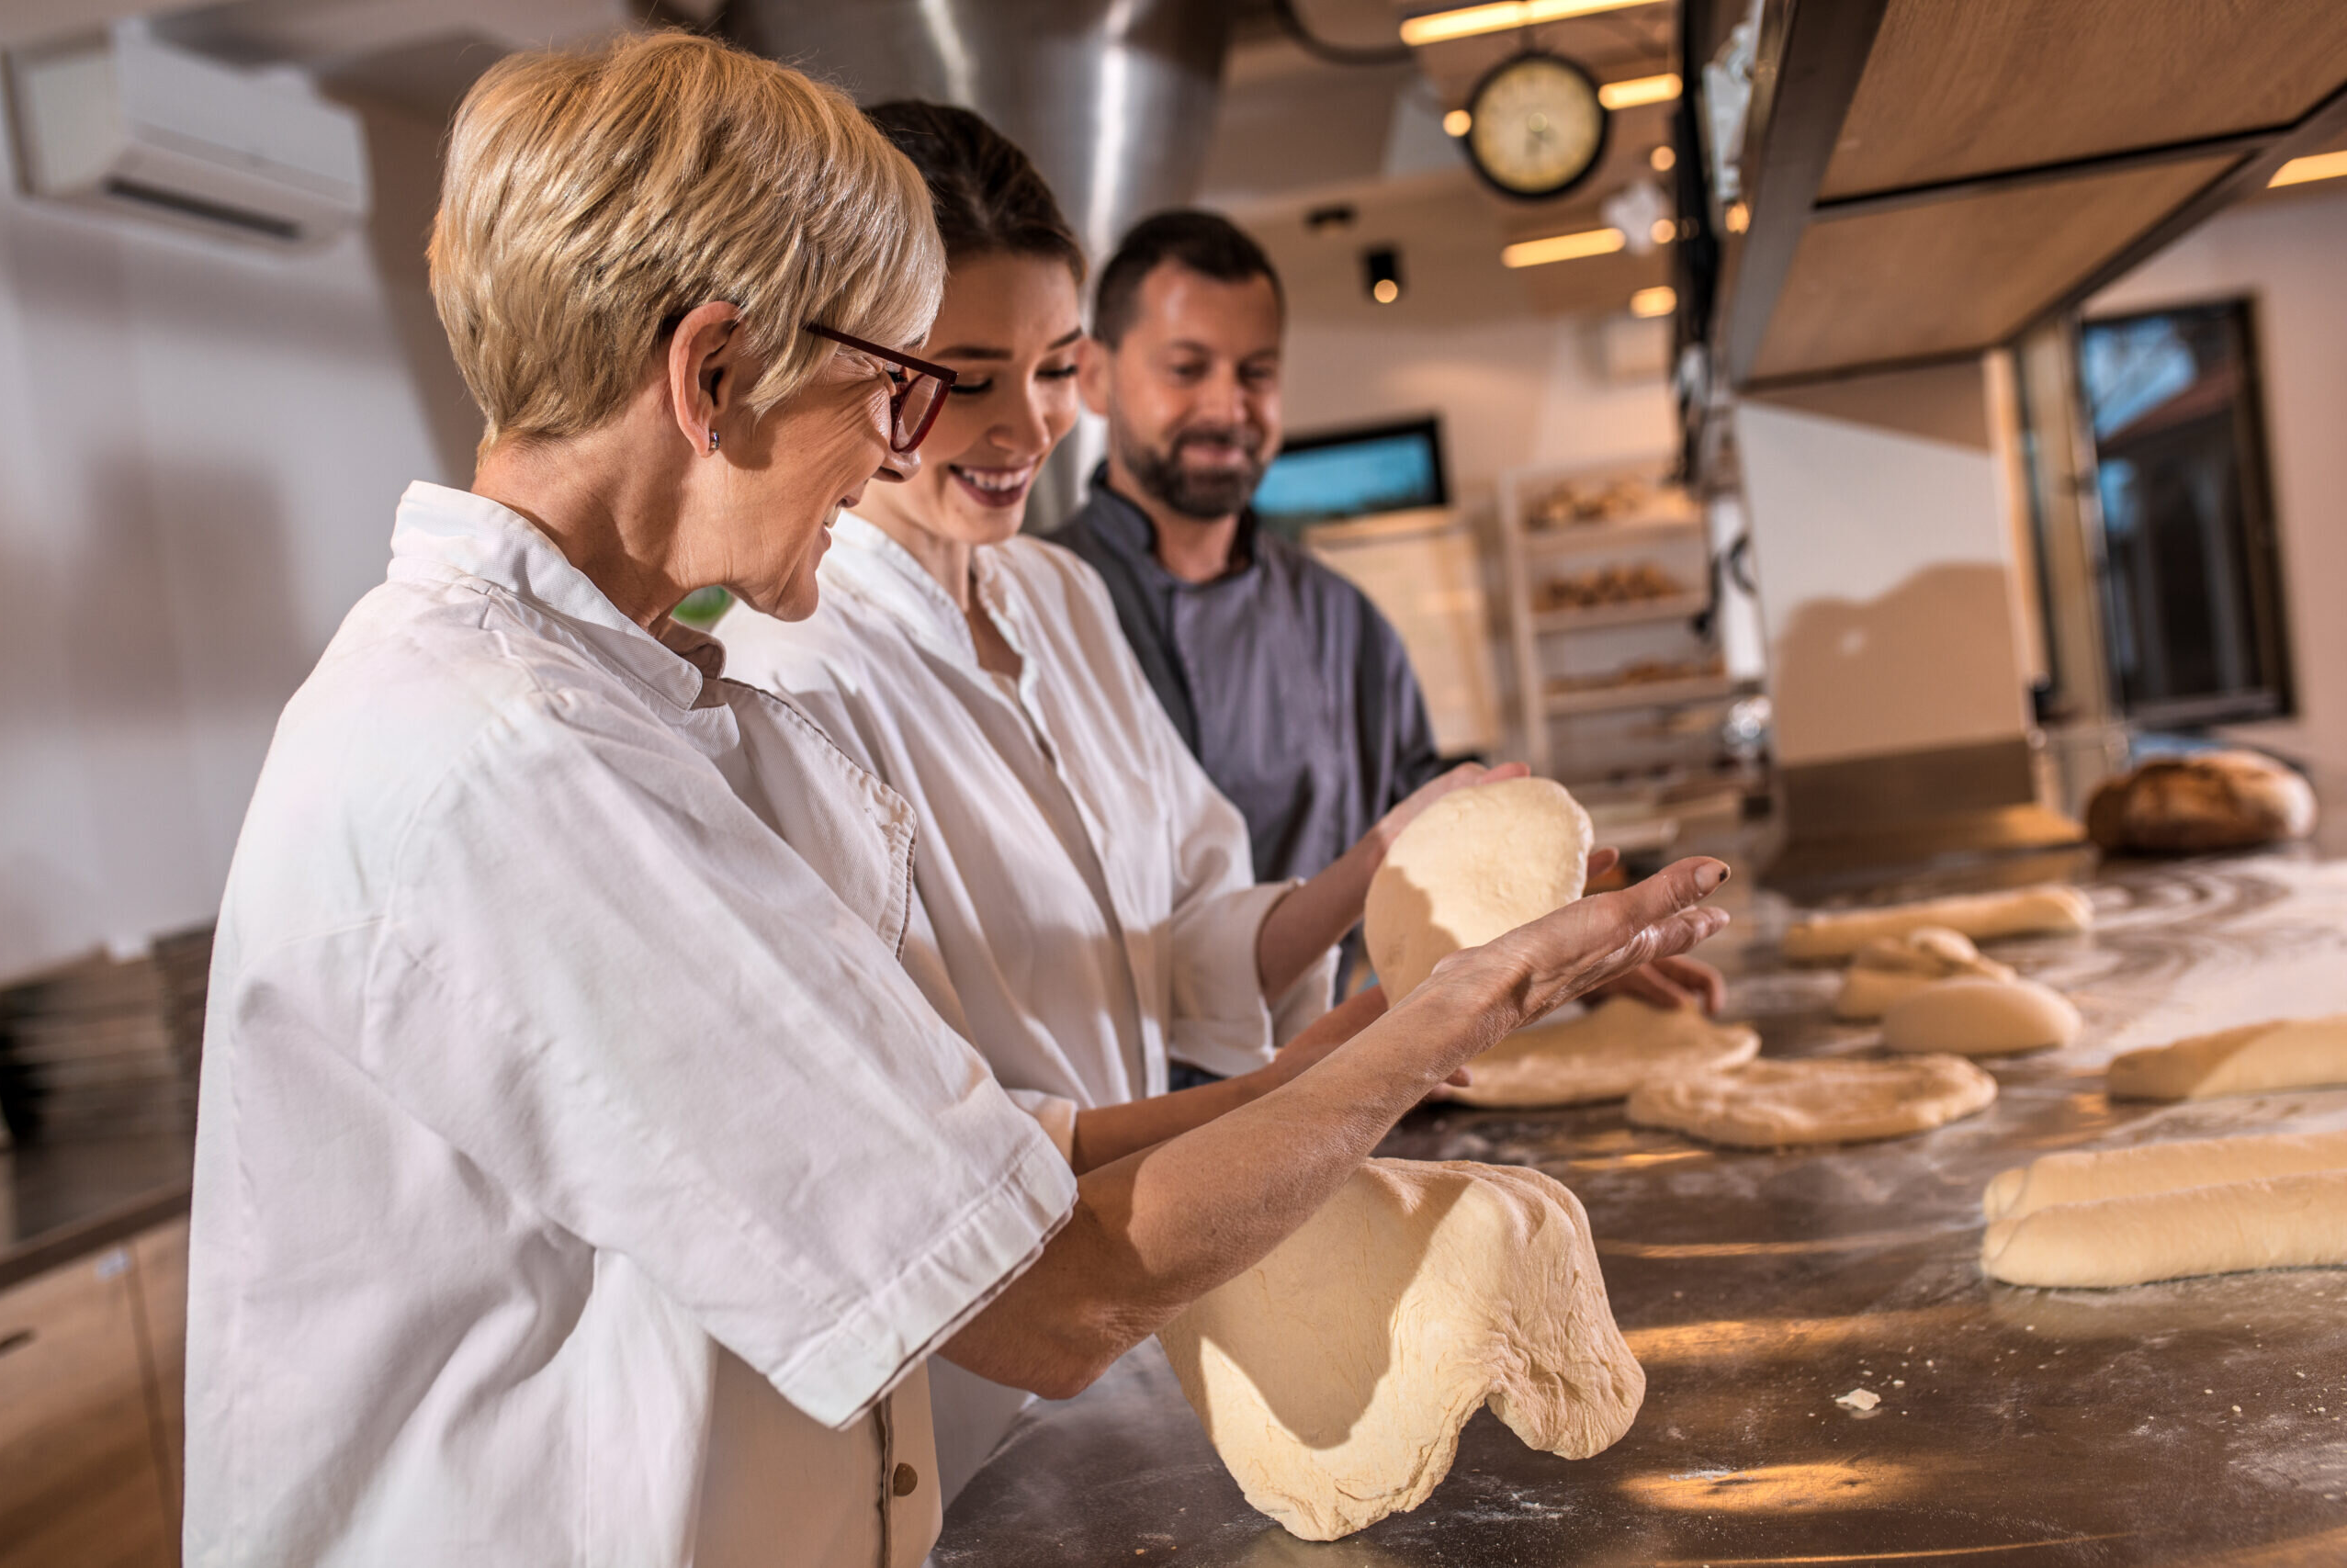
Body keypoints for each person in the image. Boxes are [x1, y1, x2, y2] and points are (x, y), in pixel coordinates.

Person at [182, 35, 1732, 1568]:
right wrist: (1451, 1013)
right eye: (891, 383)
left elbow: (976, 1154)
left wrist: (1336, 1058)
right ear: (712, 375)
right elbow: (1045, 1291)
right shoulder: (511, 763)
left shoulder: (610, 707)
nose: (900, 445)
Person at [712, 102, 1520, 1495]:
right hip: (971, 1358)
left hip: (1147, 1277)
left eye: (1053, 367)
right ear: (860, 369)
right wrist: (1314, 1084)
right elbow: (920, 1127)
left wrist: (1384, 860)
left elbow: (1193, 932)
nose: (1030, 424)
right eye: (968, 376)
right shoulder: (791, 671)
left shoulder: (1058, 595)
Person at [1054, 209, 1727, 1017]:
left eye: (1257, 373)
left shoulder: (1341, 621)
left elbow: (1430, 835)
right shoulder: (1031, 609)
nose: (1228, 406)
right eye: (1186, 368)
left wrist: (1567, 933)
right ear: (1094, 375)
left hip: (1331, 1058)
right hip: (1109, 1074)